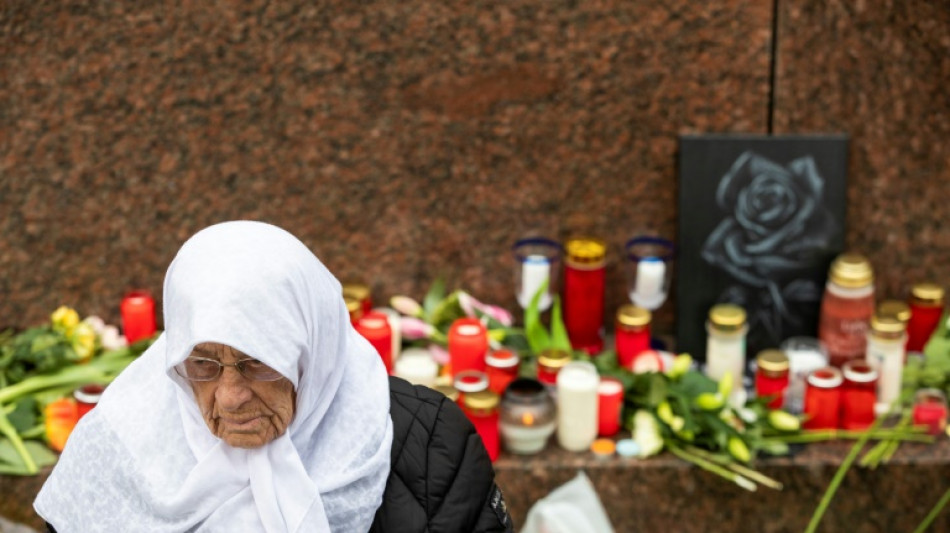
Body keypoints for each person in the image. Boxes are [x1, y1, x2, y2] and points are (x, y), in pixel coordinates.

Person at [35, 221, 512, 532]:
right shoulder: (121, 443)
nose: (230, 397)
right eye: (202, 364)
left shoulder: (429, 447)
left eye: (259, 361)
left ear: (312, 349)